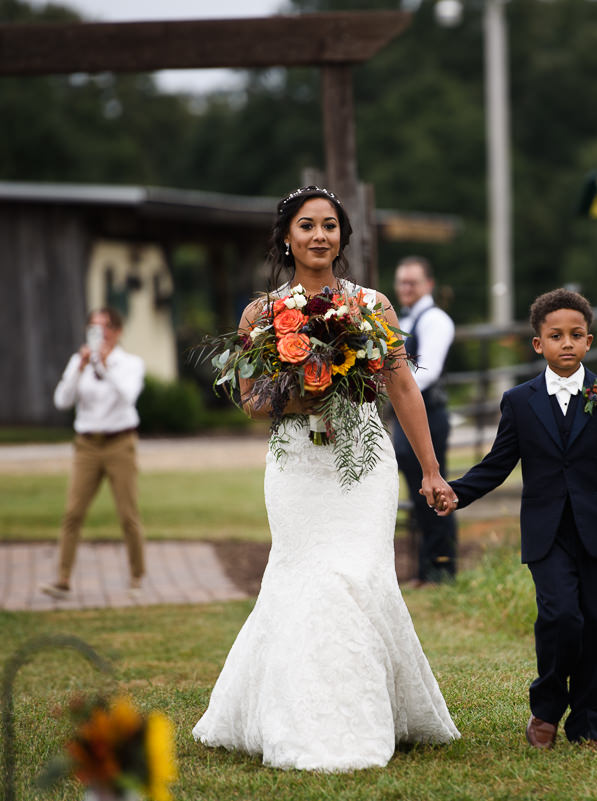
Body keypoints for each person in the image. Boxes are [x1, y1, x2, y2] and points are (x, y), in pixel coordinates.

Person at [192, 186, 461, 772]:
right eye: (308, 225)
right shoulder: (261, 314)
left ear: (343, 236)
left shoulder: (373, 306)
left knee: (358, 576)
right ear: (287, 237)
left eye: (331, 226)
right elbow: (249, 398)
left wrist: (432, 470)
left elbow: (403, 387)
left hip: (363, 465)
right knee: (305, 578)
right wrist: (300, 392)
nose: (320, 236)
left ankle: (364, 711)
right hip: (297, 468)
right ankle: (302, 718)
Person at [447, 288, 597, 749]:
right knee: (561, 618)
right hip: (546, 533)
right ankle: (545, 708)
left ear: (589, 341)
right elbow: (497, 463)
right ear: (537, 343)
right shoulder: (519, 401)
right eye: (556, 335)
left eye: (576, 335)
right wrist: (455, 494)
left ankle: (587, 722)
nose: (567, 343)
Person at [40, 308, 146, 600]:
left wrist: (103, 367)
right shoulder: (79, 361)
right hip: (87, 445)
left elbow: (129, 395)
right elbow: (62, 400)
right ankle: (62, 579)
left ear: (118, 331)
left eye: (107, 327)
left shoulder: (130, 363)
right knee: (73, 512)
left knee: (128, 514)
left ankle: (137, 575)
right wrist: (81, 368)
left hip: (119, 443)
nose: (102, 333)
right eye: (95, 328)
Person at [392, 256, 459, 585]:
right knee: (420, 495)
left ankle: (442, 567)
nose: (406, 287)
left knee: (435, 490)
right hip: (408, 416)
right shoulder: (406, 319)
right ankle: (426, 569)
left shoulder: (435, 321)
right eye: (401, 282)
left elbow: (426, 372)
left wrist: (395, 392)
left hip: (428, 417)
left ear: (428, 284)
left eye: (412, 282)